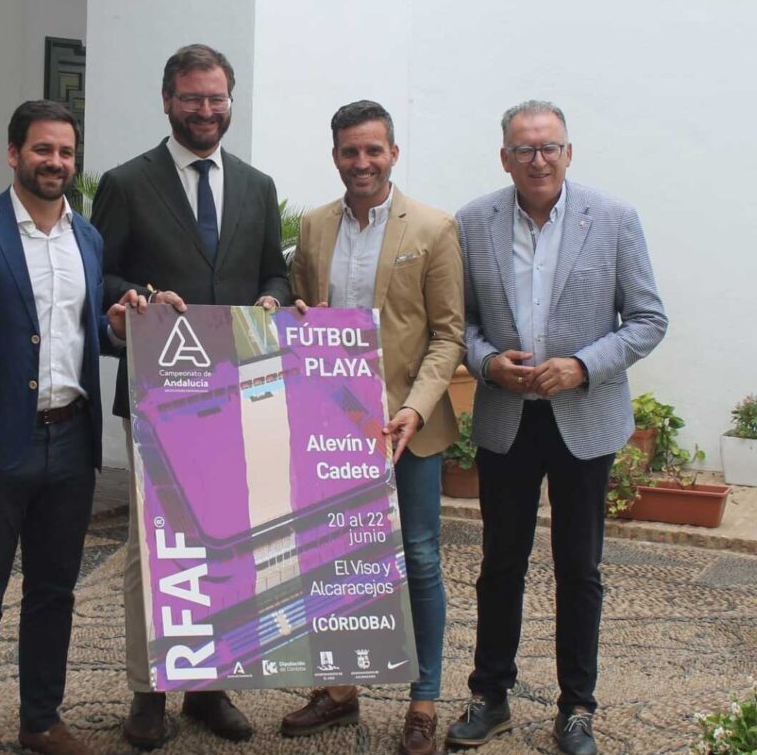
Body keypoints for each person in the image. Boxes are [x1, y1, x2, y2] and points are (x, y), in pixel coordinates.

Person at [0, 100, 142, 755]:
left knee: (53, 592)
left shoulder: (88, 238)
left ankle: (41, 720)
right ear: (14, 154)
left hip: (70, 442)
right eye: (43, 150)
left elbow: (83, 330)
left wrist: (116, 329)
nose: (55, 163)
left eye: (66, 153)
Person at [444, 100, 667, 755]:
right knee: (500, 564)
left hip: (583, 418)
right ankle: (490, 697)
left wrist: (582, 366)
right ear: (504, 157)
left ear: (568, 152)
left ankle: (577, 708)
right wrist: (486, 361)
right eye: (523, 149)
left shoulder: (616, 219)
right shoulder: (473, 222)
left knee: (579, 567)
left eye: (548, 148)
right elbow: (457, 322)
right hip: (507, 417)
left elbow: (648, 318)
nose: (537, 160)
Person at [91, 43, 290, 749]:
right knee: (157, 551)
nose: (205, 111)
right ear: (168, 100)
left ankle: (209, 686)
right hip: (158, 397)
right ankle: (148, 691)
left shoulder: (257, 185)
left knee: (228, 545)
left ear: (230, 101)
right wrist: (134, 298)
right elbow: (101, 277)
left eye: (216, 99)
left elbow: (274, 271)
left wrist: (272, 298)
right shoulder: (126, 181)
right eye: (192, 98)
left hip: (239, 398)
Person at [277, 100, 464, 755]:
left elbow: (448, 336)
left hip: (405, 428)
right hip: (331, 428)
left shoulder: (435, 229)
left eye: (373, 150)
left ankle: (423, 698)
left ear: (393, 153)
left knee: (416, 559)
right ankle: (338, 689)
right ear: (335, 156)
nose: (362, 162)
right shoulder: (314, 225)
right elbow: (308, 318)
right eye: (350, 151)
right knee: (332, 560)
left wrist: (412, 409)